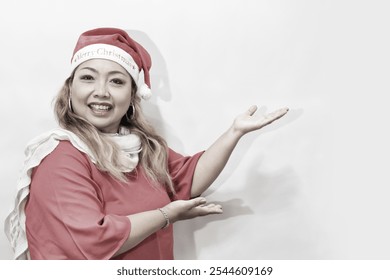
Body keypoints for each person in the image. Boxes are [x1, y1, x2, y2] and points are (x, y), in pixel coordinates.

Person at [4, 27, 288, 260]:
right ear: (70, 89)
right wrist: (166, 215)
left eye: (116, 81)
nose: (101, 92)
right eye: (88, 77)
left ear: (132, 96)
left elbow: (186, 179)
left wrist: (234, 133)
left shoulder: (140, 147)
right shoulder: (61, 156)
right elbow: (91, 240)